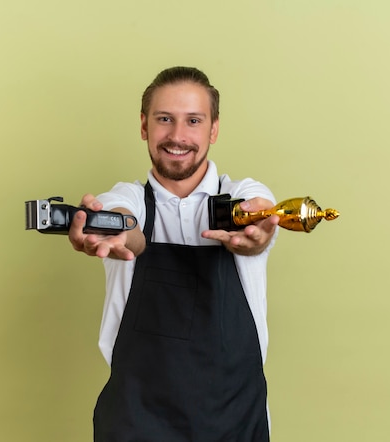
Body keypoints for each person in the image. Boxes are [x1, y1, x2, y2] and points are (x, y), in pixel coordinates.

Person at [68, 66, 279, 441]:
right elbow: (126, 223)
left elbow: (258, 220)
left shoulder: (241, 195)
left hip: (235, 422)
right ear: (144, 126)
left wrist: (257, 230)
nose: (177, 136)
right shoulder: (129, 199)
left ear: (213, 128)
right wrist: (114, 229)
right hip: (135, 423)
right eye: (164, 119)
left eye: (193, 121)